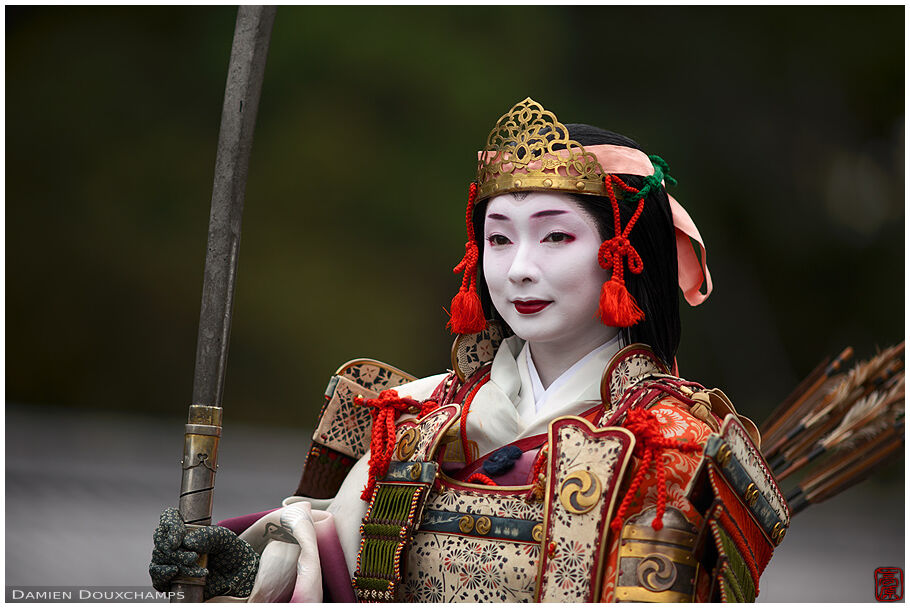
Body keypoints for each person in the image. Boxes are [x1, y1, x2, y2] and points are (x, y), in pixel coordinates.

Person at [151, 98, 788, 602]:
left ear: (625, 252)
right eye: (499, 239)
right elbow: (333, 576)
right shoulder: (416, 418)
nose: (518, 270)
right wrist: (239, 569)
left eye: (556, 236)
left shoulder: (669, 447)